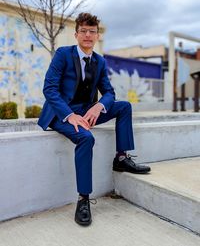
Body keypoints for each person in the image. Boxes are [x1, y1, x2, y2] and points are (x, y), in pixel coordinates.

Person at [38, 12, 151, 227]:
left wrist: (99, 106)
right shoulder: (63, 54)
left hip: (87, 111)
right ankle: (83, 199)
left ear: (97, 36)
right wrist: (70, 115)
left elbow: (109, 92)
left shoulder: (99, 61)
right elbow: (49, 89)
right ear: (76, 34)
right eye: (83, 31)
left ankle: (121, 158)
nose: (88, 35)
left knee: (124, 107)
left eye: (92, 31)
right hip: (61, 113)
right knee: (86, 139)